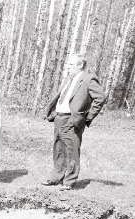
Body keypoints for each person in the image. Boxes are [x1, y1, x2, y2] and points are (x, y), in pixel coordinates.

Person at [42, 54, 107, 190]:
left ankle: (69, 182)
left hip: (72, 120)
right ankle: (56, 177)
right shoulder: (68, 79)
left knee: (72, 151)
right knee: (59, 150)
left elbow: (100, 98)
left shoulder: (88, 79)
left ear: (80, 65)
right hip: (59, 119)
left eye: (71, 65)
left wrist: (88, 117)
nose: (67, 67)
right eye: (68, 65)